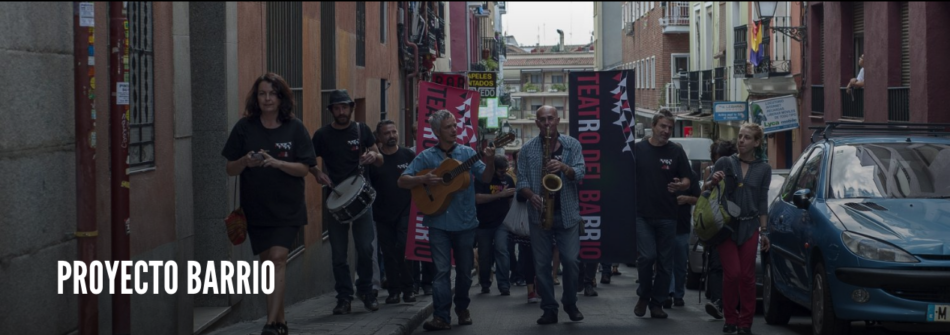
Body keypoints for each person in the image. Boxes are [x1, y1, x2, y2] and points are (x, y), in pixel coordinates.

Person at [222, 72, 317, 335]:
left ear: (281, 97)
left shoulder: (295, 128)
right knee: (268, 265)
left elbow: (305, 168)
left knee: (278, 258)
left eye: (272, 94)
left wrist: (276, 162)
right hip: (257, 208)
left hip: (288, 208)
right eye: (262, 93)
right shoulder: (245, 127)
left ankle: (269, 324)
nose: (267, 99)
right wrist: (245, 162)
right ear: (256, 97)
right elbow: (230, 168)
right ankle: (280, 322)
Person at [398, 109, 496, 331]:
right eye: (449, 127)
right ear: (436, 132)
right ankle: (442, 316)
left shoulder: (467, 153)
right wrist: (422, 178)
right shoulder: (426, 156)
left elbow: (486, 177)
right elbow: (402, 181)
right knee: (441, 271)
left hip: (465, 223)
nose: (454, 130)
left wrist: (489, 161)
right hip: (438, 223)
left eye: (455, 125)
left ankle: (462, 308)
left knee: (463, 272)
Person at [310, 89, 385, 315]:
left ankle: (366, 290)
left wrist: (374, 156)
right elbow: (308, 161)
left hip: (361, 199)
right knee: (339, 254)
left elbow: (379, 157)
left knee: (365, 248)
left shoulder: (362, 130)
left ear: (351, 108)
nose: (341, 111)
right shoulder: (322, 135)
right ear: (331, 110)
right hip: (336, 199)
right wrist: (316, 173)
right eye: (337, 108)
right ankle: (344, 297)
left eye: (344, 107)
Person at [516, 105, 586, 325]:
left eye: (551, 119)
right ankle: (548, 308)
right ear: (536, 123)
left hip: (567, 214)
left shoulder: (572, 145)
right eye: (542, 120)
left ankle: (570, 302)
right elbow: (522, 181)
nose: (547, 123)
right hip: (539, 215)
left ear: (558, 120)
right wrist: (531, 195)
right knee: (542, 264)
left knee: (571, 261)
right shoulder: (527, 149)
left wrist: (564, 167)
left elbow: (581, 173)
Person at [705, 123, 771, 334]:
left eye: (747, 137)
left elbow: (762, 201)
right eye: (740, 136)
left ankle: (745, 323)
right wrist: (713, 181)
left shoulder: (764, 168)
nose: (741, 140)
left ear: (757, 143)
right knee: (732, 274)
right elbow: (706, 189)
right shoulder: (725, 162)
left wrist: (764, 231)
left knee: (747, 277)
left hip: (750, 225)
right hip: (727, 226)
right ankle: (730, 317)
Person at [632, 109, 692, 319]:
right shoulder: (638, 149)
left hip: (668, 215)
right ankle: (644, 295)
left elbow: (687, 180)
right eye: (663, 126)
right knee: (648, 257)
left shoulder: (676, 151)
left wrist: (680, 184)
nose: (666, 131)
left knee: (666, 264)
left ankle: (657, 304)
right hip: (642, 214)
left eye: (670, 127)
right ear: (653, 126)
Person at [367, 120, 418, 304]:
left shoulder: (408, 155)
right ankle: (394, 291)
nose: (392, 136)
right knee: (387, 252)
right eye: (387, 133)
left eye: (394, 132)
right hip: (381, 214)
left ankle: (409, 289)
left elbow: (417, 179)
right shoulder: (375, 160)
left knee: (403, 248)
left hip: (405, 211)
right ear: (379, 137)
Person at [704, 140, 737, 319]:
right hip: (718, 222)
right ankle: (718, 301)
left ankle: (731, 302)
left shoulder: (739, 167)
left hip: (737, 222)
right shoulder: (711, 170)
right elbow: (704, 192)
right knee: (716, 264)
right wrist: (712, 182)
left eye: (721, 160)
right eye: (716, 160)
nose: (719, 164)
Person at [475, 155, 516, 295]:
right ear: (493, 169)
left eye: (505, 171)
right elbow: (478, 199)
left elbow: (511, 201)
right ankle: (485, 283)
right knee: (484, 255)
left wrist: (511, 220)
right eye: (500, 171)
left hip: (502, 223)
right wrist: (500, 194)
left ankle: (504, 284)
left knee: (502, 251)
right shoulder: (483, 178)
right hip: (483, 223)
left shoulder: (508, 180)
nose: (503, 174)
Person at [667, 167, 700, 308]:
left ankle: (678, 294)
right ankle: (668, 293)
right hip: (664, 224)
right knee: (665, 262)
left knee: (680, 264)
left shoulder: (690, 175)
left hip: (682, 226)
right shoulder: (663, 172)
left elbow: (699, 199)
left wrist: (686, 199)